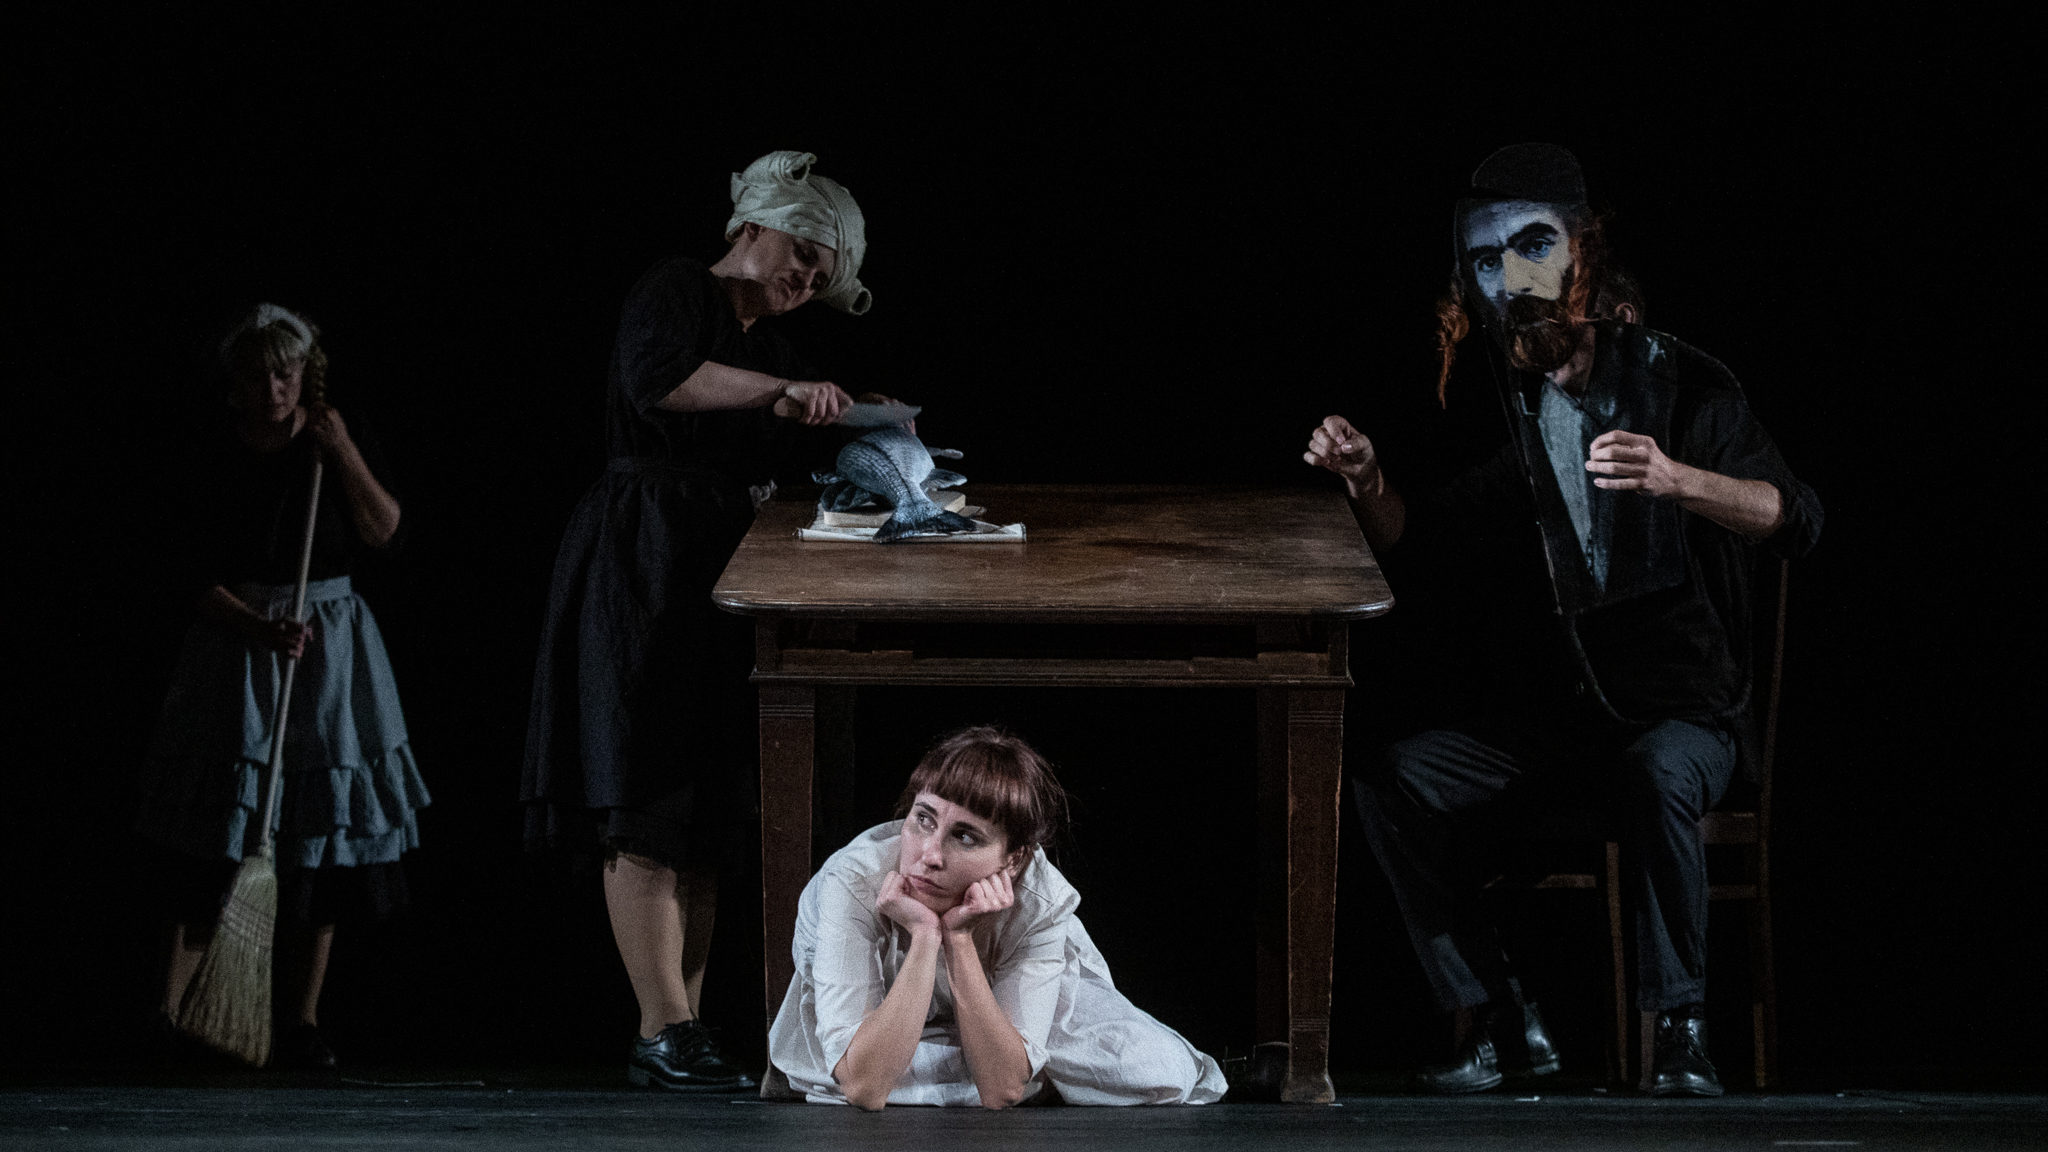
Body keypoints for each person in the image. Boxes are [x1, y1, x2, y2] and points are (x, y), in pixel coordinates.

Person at [1306, 144, 1822, 1097]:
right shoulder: (1538, 427)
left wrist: (1676, 478)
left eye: (1534, 252)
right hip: (1575, 720)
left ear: (1593, 283)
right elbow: (1425, 542)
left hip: (1688, 716)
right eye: (1487, 263)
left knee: (1655, 771)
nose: (1513, 286)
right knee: (1393, 779)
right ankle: (1504, 1018)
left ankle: (1681, 1033)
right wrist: (1368, 480)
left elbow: (1796, 517)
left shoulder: (1689, 393)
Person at [521, 151, 876, 1092]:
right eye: (802, 255)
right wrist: (779, 395)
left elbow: (797, 420)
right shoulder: (678, 289)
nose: (806, 281)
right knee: (642, 793)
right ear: (752, 226)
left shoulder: (776, 350)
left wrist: (869, 421)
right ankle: (661, 1023)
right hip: (642, 559)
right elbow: (659, 380)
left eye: (822, 276)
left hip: (720, 570)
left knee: (705, 808)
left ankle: (685, 1026)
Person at [137, 303, 428, 1070]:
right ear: (234, 383)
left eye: (287, 373)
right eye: (260, 376)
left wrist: (343, 449)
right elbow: (181, 567)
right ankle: (170, 1016)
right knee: (211, 838)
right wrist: (254, 626)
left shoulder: (334, 435)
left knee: (317, 842)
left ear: (306, 372)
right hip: (236, 649)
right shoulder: (212, 451)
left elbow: (385, 533)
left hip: (329, 655)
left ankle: (299, 1023)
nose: (275, 389)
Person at [768, 727, 1227, 1108]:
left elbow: (1001, 1089)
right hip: (888, 1007)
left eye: (965, 837)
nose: (929, 855)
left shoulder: (1041, 900)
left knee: (1156, 1068)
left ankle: (957, 1055)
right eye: (924, 819)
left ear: (1013, 859)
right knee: (858, 1067)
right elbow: (866, 1086)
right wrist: (925, 935)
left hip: (990, 996)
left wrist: (959, 939)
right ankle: (1006, 1065)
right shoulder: (854, 881)